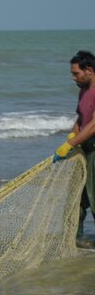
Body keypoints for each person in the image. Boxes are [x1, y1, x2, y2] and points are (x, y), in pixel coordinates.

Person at [53, 50, 95, 247]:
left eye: (76, 73)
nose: (73, 77)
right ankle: (75, 240)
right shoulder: (83, 90)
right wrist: (73, 134)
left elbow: (94, 125)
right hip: (84, 147)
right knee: (77, 196)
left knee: (93, 196)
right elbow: (81, 118)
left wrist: (69, 144)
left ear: (89, 70)